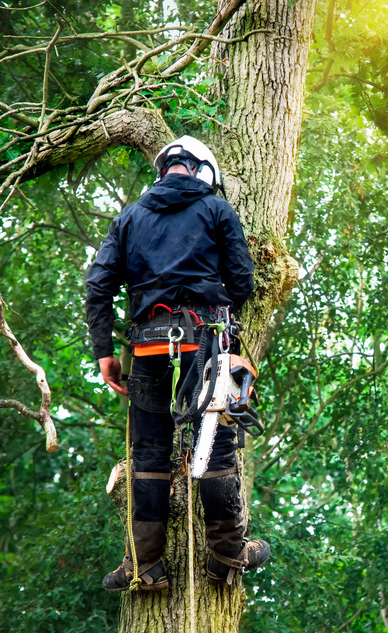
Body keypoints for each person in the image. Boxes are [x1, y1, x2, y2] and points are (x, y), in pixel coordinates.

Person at [84, 136, 270, 591]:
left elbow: (98, 285)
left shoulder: (129, 217)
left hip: (148, 348)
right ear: (204, 172)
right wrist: (218, 303)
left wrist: (104, 352)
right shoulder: (217, 209)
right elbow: (243, 281)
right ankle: (227, 554)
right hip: (206, 342)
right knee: (216, 445)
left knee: (149, 452)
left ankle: (144, 566)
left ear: (163, 171)